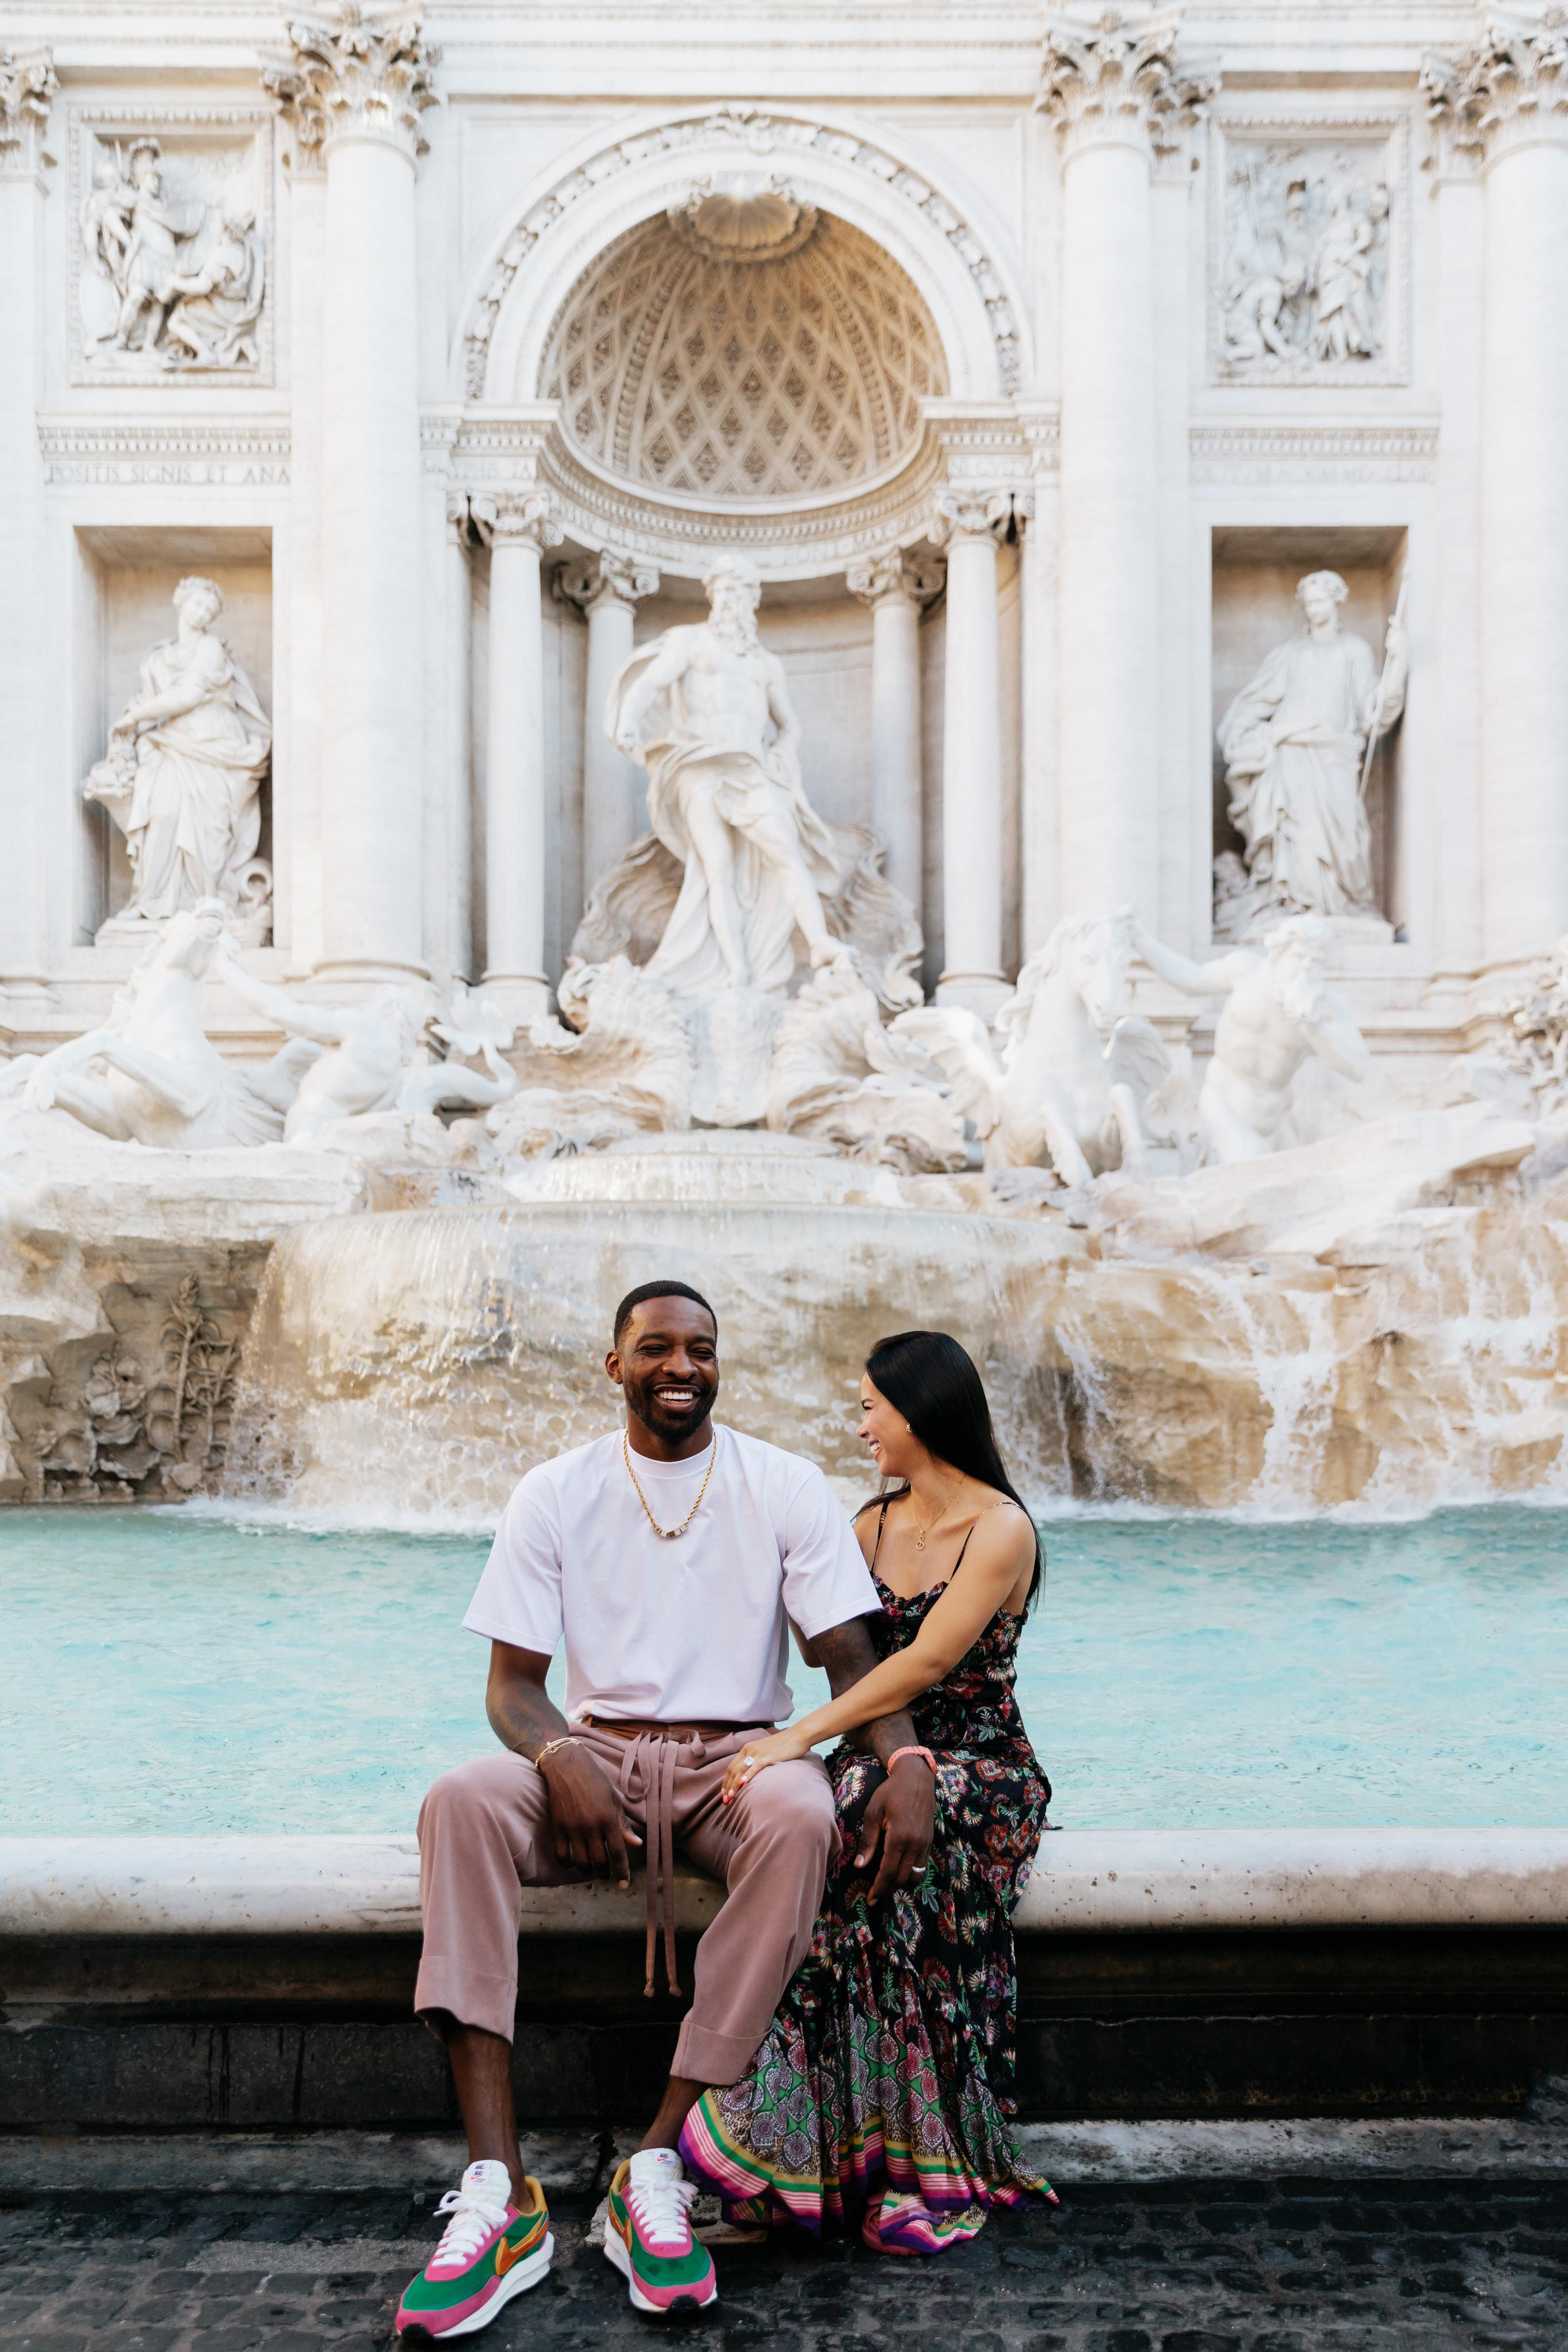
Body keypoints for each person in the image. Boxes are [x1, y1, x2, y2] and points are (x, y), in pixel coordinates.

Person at [396, 1281, 936, 2338]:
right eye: (656, 1348)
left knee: (800, 1811)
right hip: (594, 1761)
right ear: (616, 1367)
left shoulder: (782, 1484)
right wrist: (559, 1756)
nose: (681, 1366)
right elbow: (511, 1689)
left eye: (701, 1349)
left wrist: (906, 1757)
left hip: (738, 1762)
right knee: (459, 1801)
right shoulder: (555, 1491)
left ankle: (658, 2160)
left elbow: (848, 1658)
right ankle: (500, 2194)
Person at [678, 1329, 1056, 2256]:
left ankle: (889, 2166)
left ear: (919, 1410)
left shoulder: (1001, 1526)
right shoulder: (867, 1525)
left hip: (980, 1765)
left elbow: (926, 1662)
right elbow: (824, 1643)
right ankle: (823, 2158)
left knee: (868, 1859)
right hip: (876, 1757)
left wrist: (793, 1738)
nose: (860, 1430)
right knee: (832, 1844)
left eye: (869, 1408)